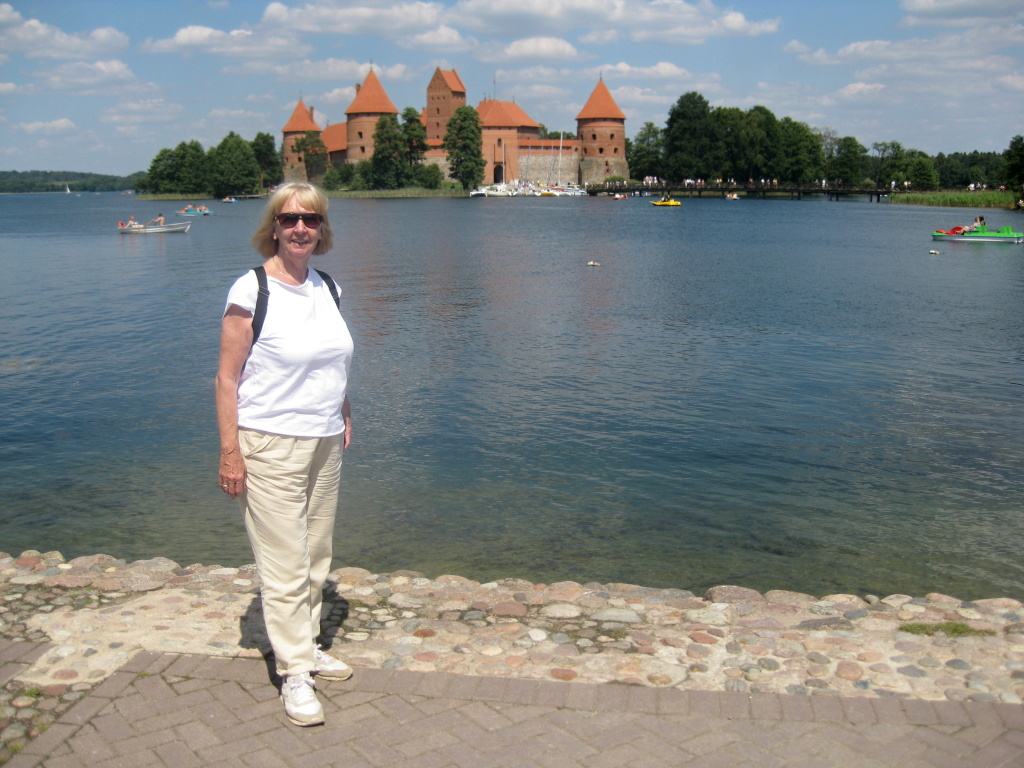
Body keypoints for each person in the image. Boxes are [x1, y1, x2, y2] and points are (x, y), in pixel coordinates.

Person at [215, 182, 355, 727]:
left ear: (321, 229)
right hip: (269, 442)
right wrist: (231, 451)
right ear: (273, 227)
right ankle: (294, 670)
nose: (300, 228)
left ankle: (307, 644)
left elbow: (331, 360)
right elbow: (227, 379)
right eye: (290, 218)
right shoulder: (252, 289)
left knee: (316, 553)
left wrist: (343, 410)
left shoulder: (328, 286)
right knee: (284, 562)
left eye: (310, 219)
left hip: (324, 439)